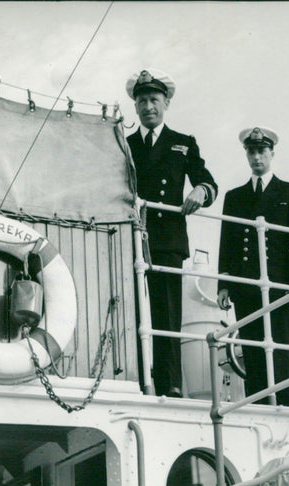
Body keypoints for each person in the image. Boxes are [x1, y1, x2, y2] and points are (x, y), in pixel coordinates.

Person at [126, 68, 217, 397]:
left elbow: (207, 181)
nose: (148, 106)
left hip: (167, 239)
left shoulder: (183, 143)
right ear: (135, 106)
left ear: (166, 103)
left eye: (154, 100)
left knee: (167, 313)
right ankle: (137, 381)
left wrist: (200, 191)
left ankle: (170, 384)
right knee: (133, 312)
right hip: (131, 238)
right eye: (142, 101)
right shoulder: (125, 144)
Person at [217, 127, 289, 406]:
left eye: (261, 151)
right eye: (251, 152)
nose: (256, 157)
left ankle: (283, 407)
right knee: (253, 350)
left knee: (278, 351)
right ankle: (257, 408)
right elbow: (227, 241)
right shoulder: (235, 196)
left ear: (272, 153)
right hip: (246, 286)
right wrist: (224, 283)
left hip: (279, 285)